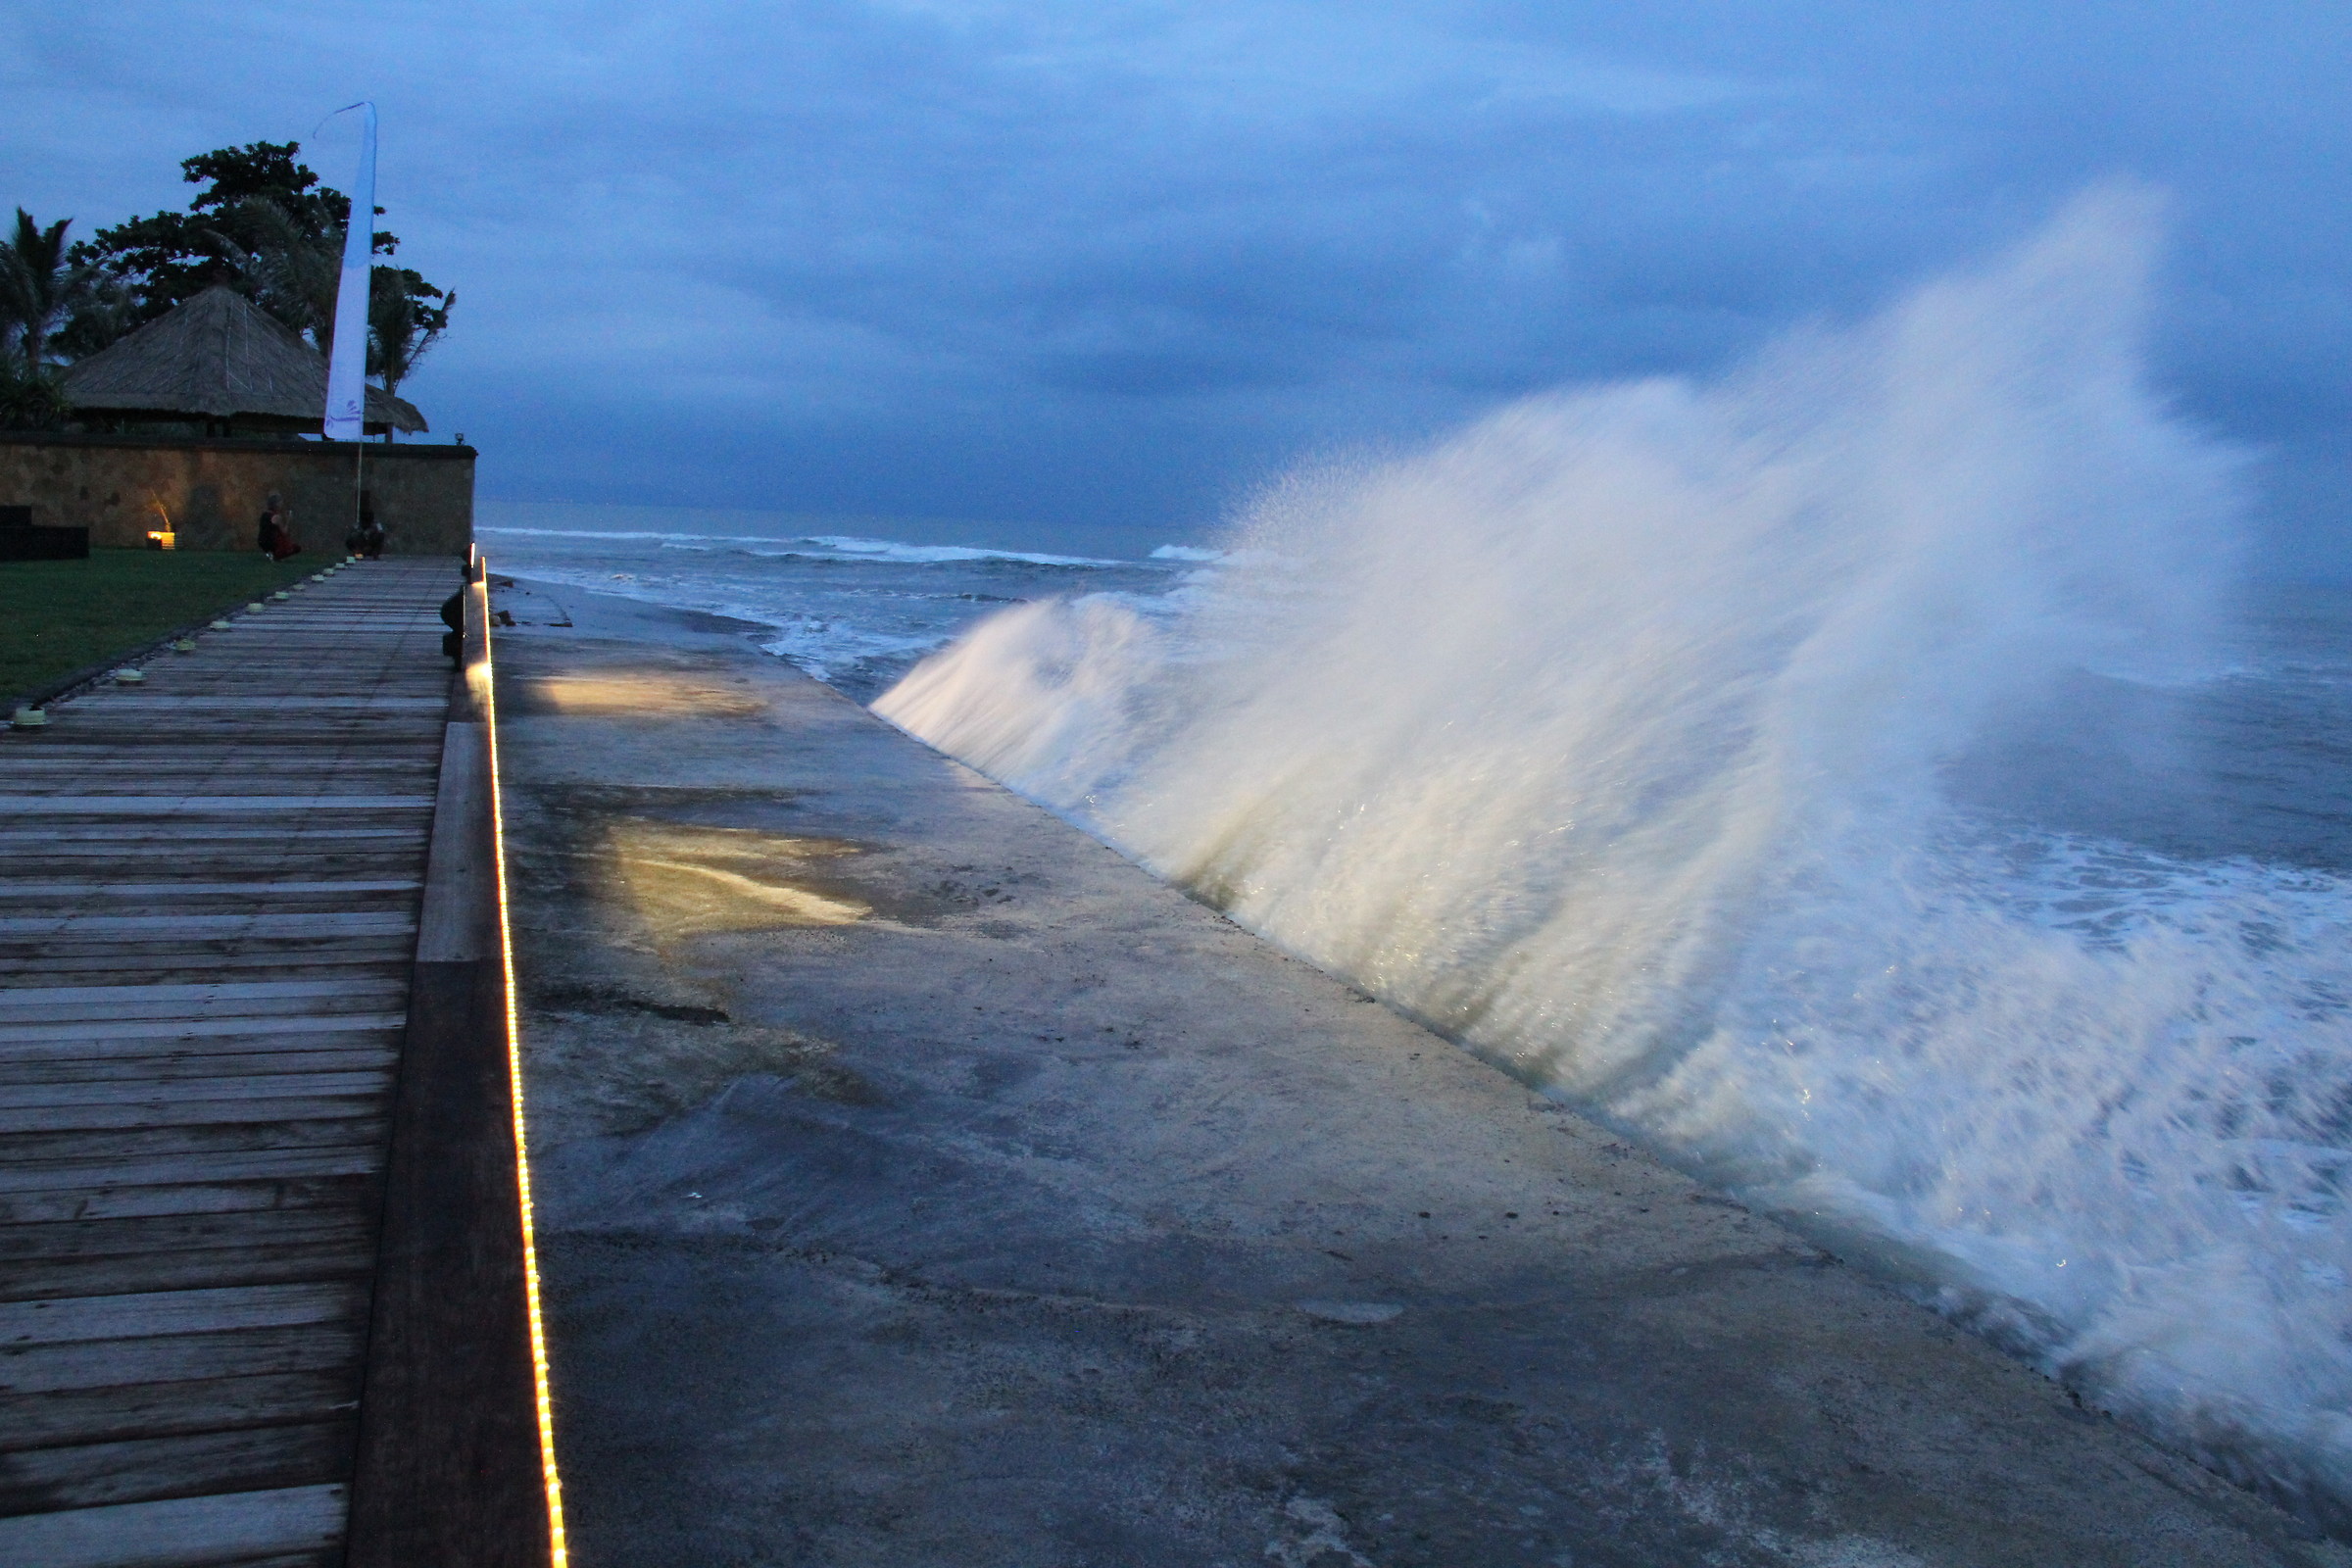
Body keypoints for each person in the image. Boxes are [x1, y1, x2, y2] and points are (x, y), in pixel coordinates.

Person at [256, 493, 299, 560]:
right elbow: (284, 532)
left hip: (261, 540)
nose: (282, 504)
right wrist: (288, 520)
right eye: (280, 502)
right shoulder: (276, 517)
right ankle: (276, 556)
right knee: (296, 548)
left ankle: (270, 554)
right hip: (271, 541)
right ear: (276, 504)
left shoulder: (264, 514)